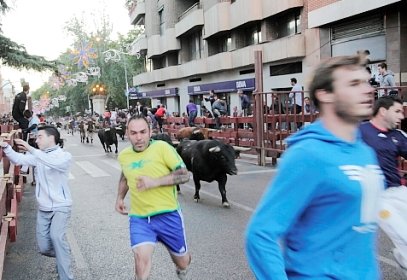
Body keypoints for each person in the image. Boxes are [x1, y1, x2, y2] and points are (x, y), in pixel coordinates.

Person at [245, 55, 385, 279]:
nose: (368, 90)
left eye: (367, 82)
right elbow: (261, 234)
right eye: (354, 84)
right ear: (325, 94)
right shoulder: (308, 155)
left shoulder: (364, 151)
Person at [115, 115, 191, 280]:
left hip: (168, 215)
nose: (139, 137)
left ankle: (181, 267)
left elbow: (184, 175)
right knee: (140, 264)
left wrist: (154, 182)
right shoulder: (124, 156)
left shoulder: (163, 148)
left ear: (150, 132)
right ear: (127, 134)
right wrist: (120, 198)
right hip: (140, 218)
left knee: (183, 262)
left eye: (143, 132)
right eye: (133, 133)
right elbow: (125, 175)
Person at [0, 125, 74, 280]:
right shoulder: (39, 155)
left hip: (61, 207)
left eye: (40, 136)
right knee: (44, 247)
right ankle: (63, 254)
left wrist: (31, 149)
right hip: (44, 208)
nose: (36, 139)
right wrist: (6, 147)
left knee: (56, 237)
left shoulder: (64, 156)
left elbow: (53, 163)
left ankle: (66, 275)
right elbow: (19, 159)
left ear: (51, 138)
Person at [359, 95, 407, 275]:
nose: (401, 116)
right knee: (403, 233)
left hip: (398, 191)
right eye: (397, 111)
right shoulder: (360, 131)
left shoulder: (398, 136)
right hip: (375, 197)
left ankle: (403, 259)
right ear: (383, 111)